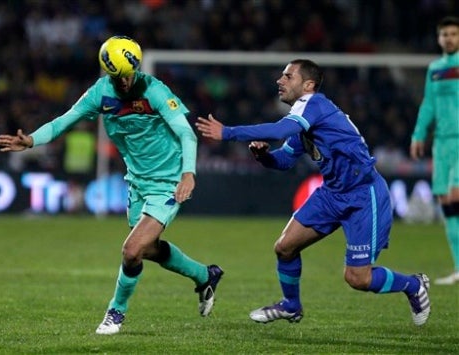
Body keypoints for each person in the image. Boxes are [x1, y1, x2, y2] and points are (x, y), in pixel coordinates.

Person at [0, 35, 224, 335]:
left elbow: (186, 133)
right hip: (137, 183)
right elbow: (64, 121)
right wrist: (31, 140)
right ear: (108, 72)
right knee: (145, 249)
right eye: (118, 77)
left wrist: (188, 173)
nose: (125, 82)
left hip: (168, 182)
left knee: (131, 250)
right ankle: (204, 275)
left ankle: (115, 312)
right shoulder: (100, 93)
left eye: (129, 75)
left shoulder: (155, 90)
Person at [196, 59, 430, 326]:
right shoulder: (305, 122)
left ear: (308, 85)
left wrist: (228, 132)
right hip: (332, 193)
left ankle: (413, 285)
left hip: (363, 195)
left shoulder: (314, 104)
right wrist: (264, 157)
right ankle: (291, 306)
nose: (279, 80)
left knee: (358, 278)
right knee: (285, 247)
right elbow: (284, 160)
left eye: (288, 76)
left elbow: (278, 129)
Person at [410, 16, 459, 285]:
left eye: (454, 33)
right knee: (448, 205)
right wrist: (419, 134)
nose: (449, 38)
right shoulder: (435, 69)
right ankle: (458, 267)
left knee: (455, 196)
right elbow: (428, 104)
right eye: (445, 34)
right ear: (439, 39)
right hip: (442, 144)